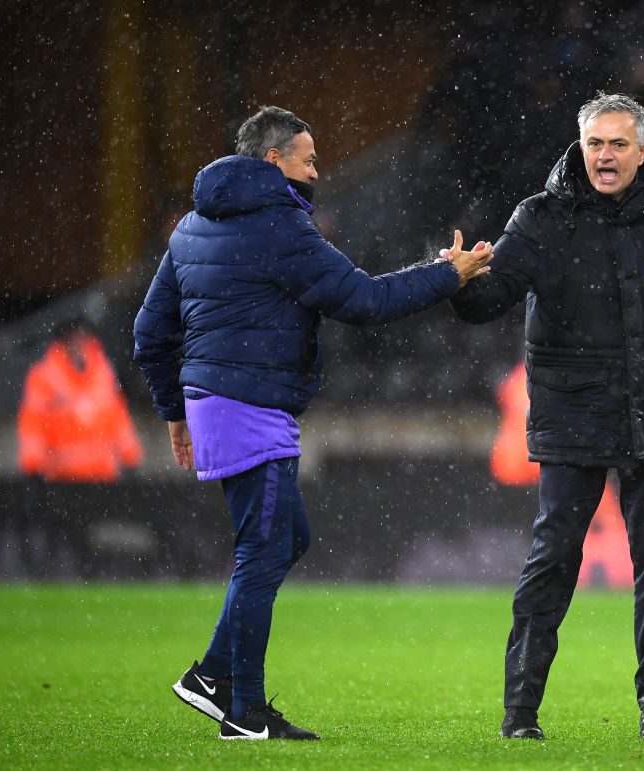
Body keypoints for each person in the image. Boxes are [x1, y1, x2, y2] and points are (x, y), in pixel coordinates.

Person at [133, 106, 492, 741]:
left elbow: (148, 330)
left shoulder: (191, 226)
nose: (318, 170)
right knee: (262, 553)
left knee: (285, 539)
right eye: (309, 159)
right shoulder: (282, 228)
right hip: (252, 408)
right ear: (274, 162)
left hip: (217, 402)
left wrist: (173, 411)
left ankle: (213, 676)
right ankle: (241, 712)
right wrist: (447, 275)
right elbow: (366, 301)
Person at [450, 92, 644, 740]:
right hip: (575, 416)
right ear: (580, 148)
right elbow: (489, 299)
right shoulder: (541, 219)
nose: (604, 156)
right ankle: (520, 713)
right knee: (553, 561)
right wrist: (460, 281)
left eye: (616, 144)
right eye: (594, 144)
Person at [18, 318, 142, 483]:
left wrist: (130, 455)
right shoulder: (44, 376)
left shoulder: (103, 373)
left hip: (103, 476)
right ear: (63, 341)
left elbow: (119, 417)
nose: (78, 344)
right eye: (72, 338)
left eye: (81, 337)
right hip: (61, 478)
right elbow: (33, 423)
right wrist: (32, 462)